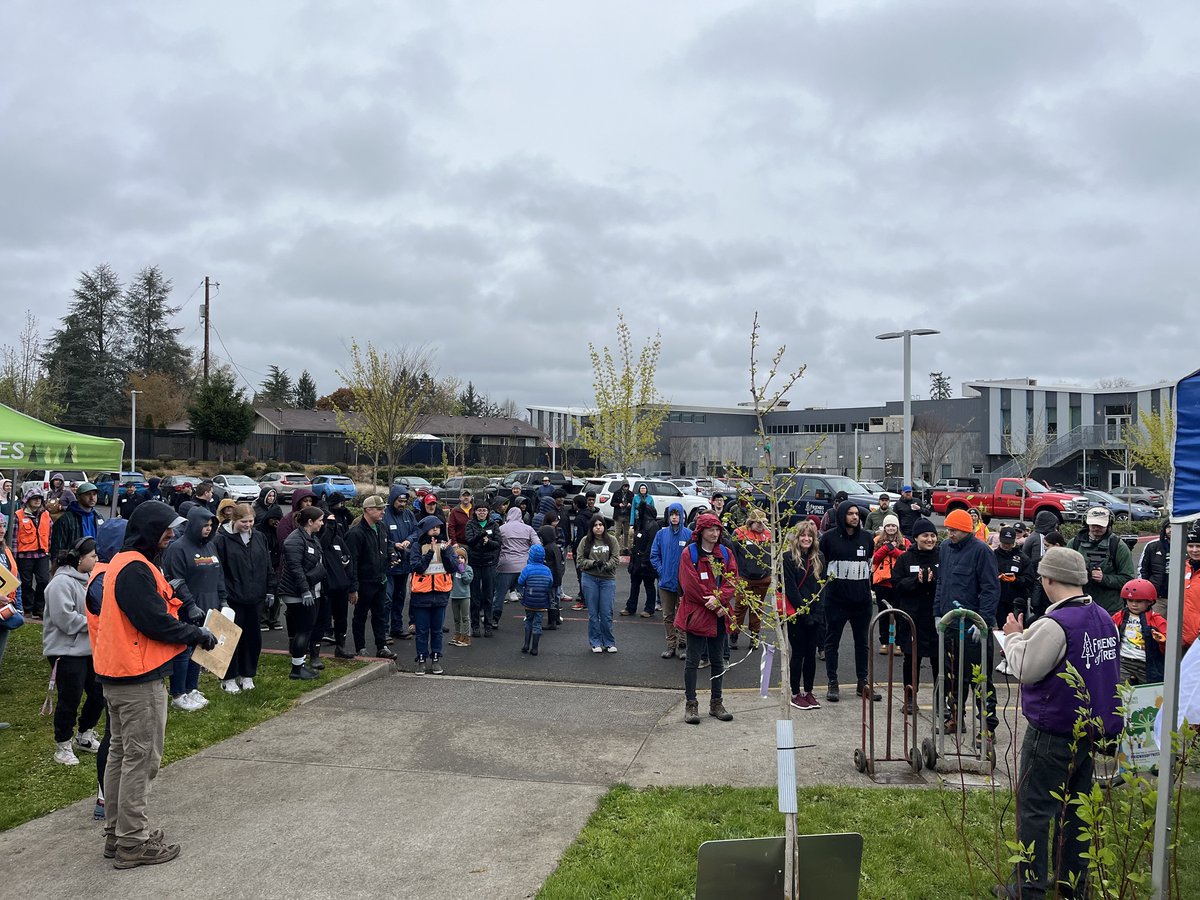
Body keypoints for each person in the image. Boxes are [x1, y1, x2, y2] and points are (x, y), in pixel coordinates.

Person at [93, 501, 218, 868]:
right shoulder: (134, 567)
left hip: (120, 673)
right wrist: (196, 634)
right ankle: (133, 842)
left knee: (121, 754)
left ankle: (119, 833)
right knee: (141, 758)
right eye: (165, 528)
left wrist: (185, 611)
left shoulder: (130, 563)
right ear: (148, 530)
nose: (171, 534)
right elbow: (153, 622)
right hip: (136, 677)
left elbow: (157, 610)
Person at [998, 547, 1121, 899]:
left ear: (1049, 579)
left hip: (1053, 730)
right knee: (1076, 810)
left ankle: (1029, 886)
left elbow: (1026, 669)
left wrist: (1013, 637)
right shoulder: (1102, 617)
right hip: (1089, 728)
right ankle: (1072, 884)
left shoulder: (1055, 624)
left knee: (1035, 809)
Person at [934, 508, 1000, 736]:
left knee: (981, 680)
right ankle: (955, 718)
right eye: (948, 530)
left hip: (973, 629)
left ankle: (987, 727)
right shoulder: (945, 549)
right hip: (950, 625)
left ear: (965, 530)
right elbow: (941, 583)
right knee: (953, 678)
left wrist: (983, 621)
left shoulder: (981, 551)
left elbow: (991, 589)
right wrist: (937, 613)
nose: (949, 534)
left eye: (953, 531)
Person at [42, 537, 105, 765]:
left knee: (99, 693)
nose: (96, 560)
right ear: (80, 559)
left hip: (89, 649)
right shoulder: (60, 584)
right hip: (65, 650)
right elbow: (65, 620)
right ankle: (63, 744)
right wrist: (96, 622)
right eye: (92, 557)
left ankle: (85, 734)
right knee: (70, 697)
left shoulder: (90, 579)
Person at [162, 506, 227, 710]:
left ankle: (191, 689)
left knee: (201, 649)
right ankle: (178, 693)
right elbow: (176, 579)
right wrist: (189, 604)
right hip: (187, 607)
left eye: (210, 526)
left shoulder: (211, 546)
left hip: (209, 604)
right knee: (185, 650)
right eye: (204, 525)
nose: (208, 529)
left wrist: (223, 600)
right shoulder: (178, 548)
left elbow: (219, 575)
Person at [676, 512, 737, 724]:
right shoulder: (689, 554)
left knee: (718, 661)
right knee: (692, 660)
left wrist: (720, 600)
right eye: (711, 529)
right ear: (700, 531)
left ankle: (716, 703)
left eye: (717, 529)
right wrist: (712, 601)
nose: (715, 533)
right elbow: (689, 585)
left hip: (719, 614)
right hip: (697, 614)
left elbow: (733, 580)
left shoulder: (726, 553)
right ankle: (691, 704)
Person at [820, 499, 879, 703]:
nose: (855, 517)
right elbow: (821, 566)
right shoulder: (828, 539)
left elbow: (869, 562)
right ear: (842, 515)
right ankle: (832, 682)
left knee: (862, 643)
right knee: (832, 642)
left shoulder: (867, 538)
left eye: (857, 514)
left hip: (861, 601)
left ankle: (862, 682)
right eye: (850, 513)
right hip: (835, 601)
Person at [215, 504, 275, 692]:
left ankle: (247, 674)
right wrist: (223, 596)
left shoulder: (259, 537)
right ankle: (229, 677)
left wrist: (270, 589)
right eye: (243, 522)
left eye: (251, 521)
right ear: (234, 520)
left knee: (252, 638)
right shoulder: (221, 540)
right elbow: (219, 571)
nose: (248, 525)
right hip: (233, 598)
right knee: (230, 639)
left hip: (255, 597)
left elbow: (267, 564)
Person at [892, 518, 941, 715]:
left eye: (932, 535)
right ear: (916, 538)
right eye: (925, 536)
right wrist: (915, 582)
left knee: (940, 660)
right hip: (913, 616)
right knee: (911, 659)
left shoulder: (943, 556)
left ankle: (941, 700)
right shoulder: (906, 558)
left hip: (935, 616)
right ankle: (910, 698)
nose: (929, 539)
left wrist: (934, 581)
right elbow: (896, 583)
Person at [278, 506, 327, 679]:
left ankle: (300, 664)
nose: (322, 523)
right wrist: (305, 591)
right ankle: (297, 669)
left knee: (307, 629)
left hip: (311, 591)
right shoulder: (294, 540)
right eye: (320, 520)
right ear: (310, 522)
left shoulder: (311, 538)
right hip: (297, 593)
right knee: (304, 629)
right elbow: (295, 568)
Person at [345, 494, 395, 660]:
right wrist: (353, 587)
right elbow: (351, 562)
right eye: (379, 509)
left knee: (379, 615)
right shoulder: (355, 533)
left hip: (381, 580)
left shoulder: (381, 527)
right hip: (364, 582)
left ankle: (381, 646)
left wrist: (391, 555)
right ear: (368, 510)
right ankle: (361, 648)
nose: (383, 512)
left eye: (383, 509)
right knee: (360, 616)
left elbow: (387, 546)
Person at [408, 515, 460, 674]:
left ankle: (436, 658)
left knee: (437, 630)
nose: (436, 529)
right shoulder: (417, 546)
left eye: (438, 527)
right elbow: (417, 567)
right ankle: (421, 659)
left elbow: (453, 567)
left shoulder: (446, 546)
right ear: (425, 530)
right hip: (421, 596)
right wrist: (430, 553)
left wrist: (444, 553)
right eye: (433, 527)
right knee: (422, 631)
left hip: (440, 594)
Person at [782, 520, 824, 710]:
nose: (806, 539)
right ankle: (795, 692)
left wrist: (817, 613)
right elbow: (791, 590)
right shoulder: (788, 558)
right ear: (796, 538)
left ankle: (808, 691)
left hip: (815, 614)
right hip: (796, 614)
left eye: (810, 536)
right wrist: (804, 614)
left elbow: (822, 587)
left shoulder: (819, 558)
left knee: (811, 654)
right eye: (802, 535)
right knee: (798, 653)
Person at [1068, 506, 1134, 614]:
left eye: (1100, 525)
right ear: (1086, 523)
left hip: (1110, 609)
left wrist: (1104, 579)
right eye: (1093, 525)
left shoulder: (1118, 546)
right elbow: (1063, 573)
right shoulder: (1074, 544)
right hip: (1080, 607)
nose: (1096, 528)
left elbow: (1128, 579)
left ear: (1109, 524)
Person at [650, 503, 692, 659]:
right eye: (672, 515)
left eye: (677, 514)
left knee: (683, 615)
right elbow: (654, 555)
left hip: (684, 585)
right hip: (666, 583)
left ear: (682, 516)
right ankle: (670, 645)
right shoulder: (661, 535)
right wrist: (662, 571)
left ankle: (682, 645)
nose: (674, 517)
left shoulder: (689, 535)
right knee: (668, 616)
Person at [577, 515, 621, 653]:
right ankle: (595, 642)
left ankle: (609, 642)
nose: (598, 527)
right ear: (592, 527)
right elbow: (580, 560)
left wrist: (606, 565)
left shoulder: (612, 540)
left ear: (604, 526)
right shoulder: (585, 541)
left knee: (606, 612)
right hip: (590, 579)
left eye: (600, 525)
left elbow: (616, 559)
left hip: (607, 580)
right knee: (593, 613)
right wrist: (594, 564)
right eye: (595, 525)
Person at [1112, 578, 1166, 685]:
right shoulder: (1120, 616)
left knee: (1150, 694)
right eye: (1130, 601)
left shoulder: (1156, 619)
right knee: (1120, 692)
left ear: (1150, 602)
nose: (1134, 605)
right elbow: (1108, 629)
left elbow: (1169, 639)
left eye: (1139, 601)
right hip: (1124, 661)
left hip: (1146, 663)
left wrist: (1162, 641)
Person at [731, 507, 771, 649]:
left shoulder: (769, 534)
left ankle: (754, 637)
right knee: (740, 608)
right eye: (758, 523)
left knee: (757, 608)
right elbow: (732, 554)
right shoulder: (740, 533)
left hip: (763, 578)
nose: (761, 526)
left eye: (763, 523)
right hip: (744, 577)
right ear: (750, 522)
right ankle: (734, 634)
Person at [494, 506, 540, 630]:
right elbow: (537, 545)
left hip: (505, 565)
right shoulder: (528, 529)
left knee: (500, 594)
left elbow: (496, 545)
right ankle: (531, 617)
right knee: (526, 593)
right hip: (524, 566)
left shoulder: (502, 528)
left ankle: (494, 619)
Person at [382, 485, 418, 641]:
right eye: (399, 500)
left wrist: (408, 540)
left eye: (404, 501)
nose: (402, 504)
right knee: (387, 598)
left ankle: (397, 628)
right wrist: (393, 544)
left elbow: (417, 531)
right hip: (389, 564)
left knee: (400, 597)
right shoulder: (385, 515)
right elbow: (380, 535)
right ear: (392, 500)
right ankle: (383, 631)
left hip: (405, 564)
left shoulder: (409, 514)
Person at [0, 514, 25, 727]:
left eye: (2, 526)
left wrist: (18, 606)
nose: (0, 530)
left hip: (5, 612)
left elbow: (15, 580)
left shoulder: (6, 551)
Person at [871, 514, 909, 655]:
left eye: (893, 525)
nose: (891, 528)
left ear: (897, 527)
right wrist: (886, 548)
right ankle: (885, 642)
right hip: (883, 583)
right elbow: (875, 559)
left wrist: (892, 550)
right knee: (883, 615)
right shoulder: (876, 541)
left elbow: (905, 558)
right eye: (888, 526)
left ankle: (899, 643)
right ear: (884, 527)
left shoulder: (905, 541)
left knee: (900, 614)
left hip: (899, 583)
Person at [14, 487, 52, 618]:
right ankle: (28, 608)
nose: (37, 501)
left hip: (42, 554)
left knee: (44, 581)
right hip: (24, 555)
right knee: (26, 583)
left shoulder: (46, 514)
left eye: (39, 498)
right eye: (34, 498)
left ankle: (39, 608)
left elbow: (49, 534)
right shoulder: (18, 515)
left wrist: (49, 550)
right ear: (28, 500)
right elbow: (14, 537)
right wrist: (13, 558)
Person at [465, 502, 500, 638]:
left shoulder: (494, 525)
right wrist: (480, 536)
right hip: (474, 562)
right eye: (479, 510)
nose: (482, 513)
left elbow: (498, 543)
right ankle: (475, 626)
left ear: (488, 512)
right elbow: (469, 541)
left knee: (488, 596)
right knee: (475, 597)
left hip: (489, 563)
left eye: (484, 511)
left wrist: (488, 542)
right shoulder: (470, 524)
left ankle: (488, 625)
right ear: (475, 512)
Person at [622, 494, 659, 618]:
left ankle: (649, 608)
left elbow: (651, 546)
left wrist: (645, 560)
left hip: (646, 563)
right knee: (634, 584)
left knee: (649, 585)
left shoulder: (652, 526)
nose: (638, 514)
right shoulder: (640, 525)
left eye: (640, 512)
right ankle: (630, 607)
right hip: (637, 561)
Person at [51, 481, 105, 562]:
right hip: (74, 563)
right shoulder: (66, 519)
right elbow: (58, 547)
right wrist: (57, 564)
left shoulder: (98, 516)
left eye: (94, 494)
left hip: (95, 562)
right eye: (88, 494)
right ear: (78, 497)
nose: (92, 497)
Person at [994, 526, 1036, 625]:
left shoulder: (1023, 558)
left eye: (1009, 543)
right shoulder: (992, 556)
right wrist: (997, 577)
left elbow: (1030, 579)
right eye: (1004, 542)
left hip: (1016, 602)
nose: (1006, 545)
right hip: (998, 601)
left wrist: (1015, 580)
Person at [518, 544, 554, 656]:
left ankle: (526, 645)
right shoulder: (547, 570)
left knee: (528, 621)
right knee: (537, 623)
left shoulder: (527, 569)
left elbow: (520, 581)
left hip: (529, 599)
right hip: (542, 602)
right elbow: (550, 583)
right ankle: (535, 648)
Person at [537, 511, 565, 629]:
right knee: (555, 598)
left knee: (551, 599)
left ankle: (552, 622)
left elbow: (548, 563)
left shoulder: (547, 548)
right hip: (557, 576)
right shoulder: (555, 547)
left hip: (551, 577)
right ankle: (556, 619)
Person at [257, 505, 284, 631]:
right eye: (273, 519)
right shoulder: (260, 531)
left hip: (277, 565)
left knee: (276, 593)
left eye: (277, 519)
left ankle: (274, 619)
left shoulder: (279, 531)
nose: (275, 521)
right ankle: (263, 619)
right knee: (263, 593)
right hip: (263, 565)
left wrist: (279, 530)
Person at [1139, 519, 1171, 616]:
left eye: (1175, 526)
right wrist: (1145, 591)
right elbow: (1142, 569)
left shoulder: (1189, 546)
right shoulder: (1152, 546)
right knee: (1155, 627)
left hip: (1182, 597)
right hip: (1158, 598)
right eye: (1169, 527)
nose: (1171, 530)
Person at [448, 546, 474, 647]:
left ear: (465, 559)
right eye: (457, 558)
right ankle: (457, 634)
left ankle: (466, 636)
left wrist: (462, 571)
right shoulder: (453, 569)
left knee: (465, 617)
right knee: (456, 618)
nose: (460, 560)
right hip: (454, 596)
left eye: (462, 558)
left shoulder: (468, 569)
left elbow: (467, 580)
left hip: (464, 596)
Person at [1184, 525, 1200, 652]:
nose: (1194, 550)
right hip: (1181, 637)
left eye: (1198, 546)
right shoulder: (1182, 567)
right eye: (1191, 546)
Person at [611, 481, 634, 553]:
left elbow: (634, 503)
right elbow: (612, 503)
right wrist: (618, 504)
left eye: (627, 486)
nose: (626, 488)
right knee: (617, 532)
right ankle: (616, 547)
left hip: (627, 515)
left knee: (626, 532)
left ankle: (625, 547)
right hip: (619, 515)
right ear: (622, 486)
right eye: (624, 486)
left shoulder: (631, 494)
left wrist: (630, 505)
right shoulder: (616, 493)